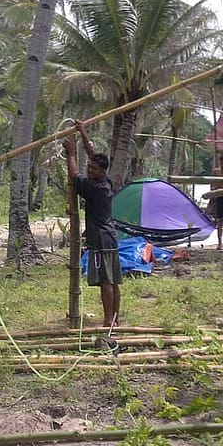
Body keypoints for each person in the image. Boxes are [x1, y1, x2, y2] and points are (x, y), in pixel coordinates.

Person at [63, 120, 123, 328]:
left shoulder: (94, 188)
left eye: (93, 169)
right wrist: (82, 132)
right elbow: (93, 155)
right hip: (110, 237)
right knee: (113, 280)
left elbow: (73, 175)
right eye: (89, 167)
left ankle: (109, 320)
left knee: (107, 281)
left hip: (100, 238)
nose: (89, 170)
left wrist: (70, 154)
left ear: (101, 171)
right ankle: (115, 318)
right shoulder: (106, 181)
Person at [206, 153, 223, 250]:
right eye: (222, 163)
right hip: (220, 198)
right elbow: (213, 185)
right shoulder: (216, 172)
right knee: (220, 220)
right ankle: (220, 242)